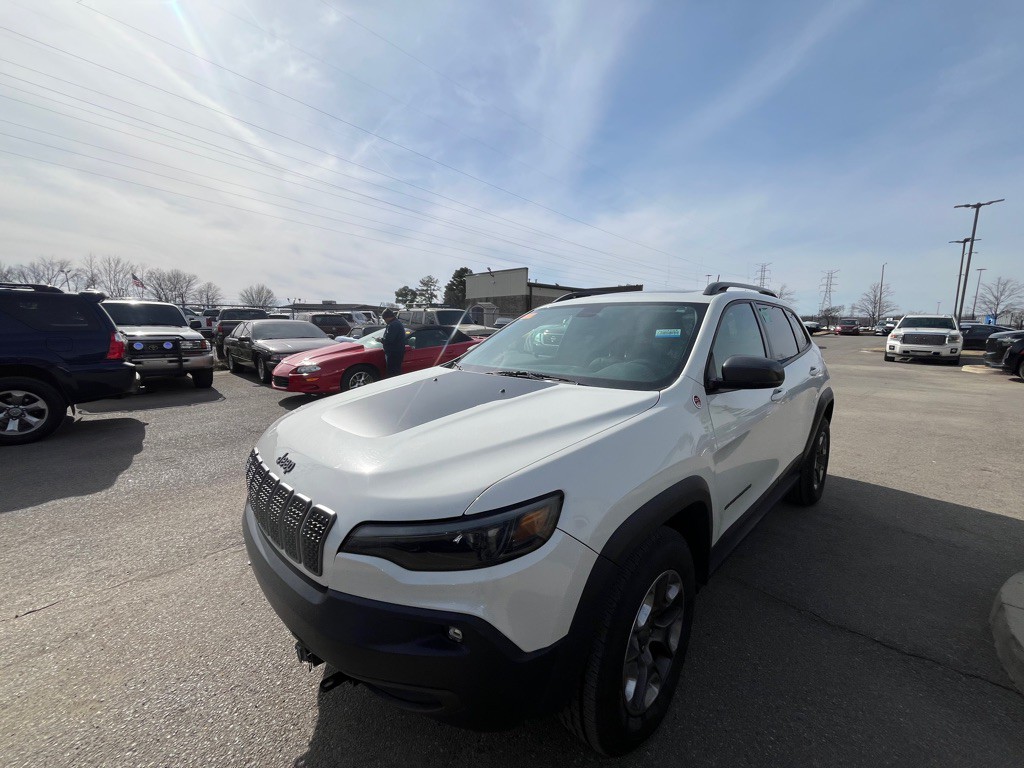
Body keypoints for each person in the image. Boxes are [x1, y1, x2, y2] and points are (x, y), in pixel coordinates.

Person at [380, 308, 406, 377]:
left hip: (393, 353)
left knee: (393, 373)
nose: (385, 321)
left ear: (388, 317)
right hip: (397, 351)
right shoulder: (397, 323)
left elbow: (389, 339)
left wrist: (381, 340)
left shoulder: (393, 325)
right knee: (396, 371)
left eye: (384, 319)